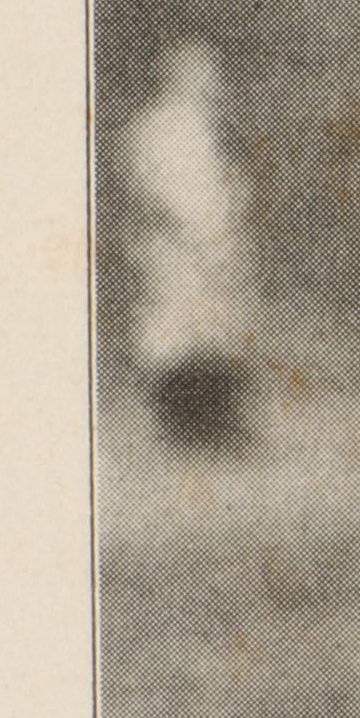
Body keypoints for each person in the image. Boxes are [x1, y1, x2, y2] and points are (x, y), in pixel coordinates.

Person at [120, 41, 258, 450]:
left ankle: (221, 425)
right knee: (175, 332)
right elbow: (142, 190)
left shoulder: (209, 127)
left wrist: (230, 235)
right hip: (172, 248)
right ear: (178, 77)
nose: (211, 84)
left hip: (214, 246)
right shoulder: (152, 129)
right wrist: (180, 236)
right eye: (202, 75)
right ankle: (179, 429)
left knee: (219, 330)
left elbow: (227, 186)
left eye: (211, 75)